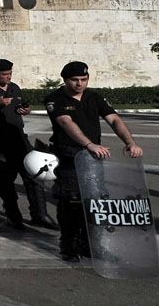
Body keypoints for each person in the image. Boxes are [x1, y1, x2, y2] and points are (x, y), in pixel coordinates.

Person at [44, 61, 144, 262]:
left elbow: (114, 119)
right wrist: (89, 144)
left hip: (92, 157)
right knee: (71, 201)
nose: (80, 84)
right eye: (74, 80)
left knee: (94, 202)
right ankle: (69, 247)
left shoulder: (94, 97)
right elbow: (66, 122)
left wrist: (130, 142)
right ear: (65, 80)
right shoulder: (55, 99)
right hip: (69, 154)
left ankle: (89, 244)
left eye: (84, 79)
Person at [0, 59, 55, 230]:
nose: (8, 77)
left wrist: (25, 110)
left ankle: (40, 215)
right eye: (4, 74)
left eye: (10, 73)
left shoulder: (14, 87)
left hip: (19, 138)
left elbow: (22, 106)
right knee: (6, 180)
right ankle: (13, 216)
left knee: (33, 174)